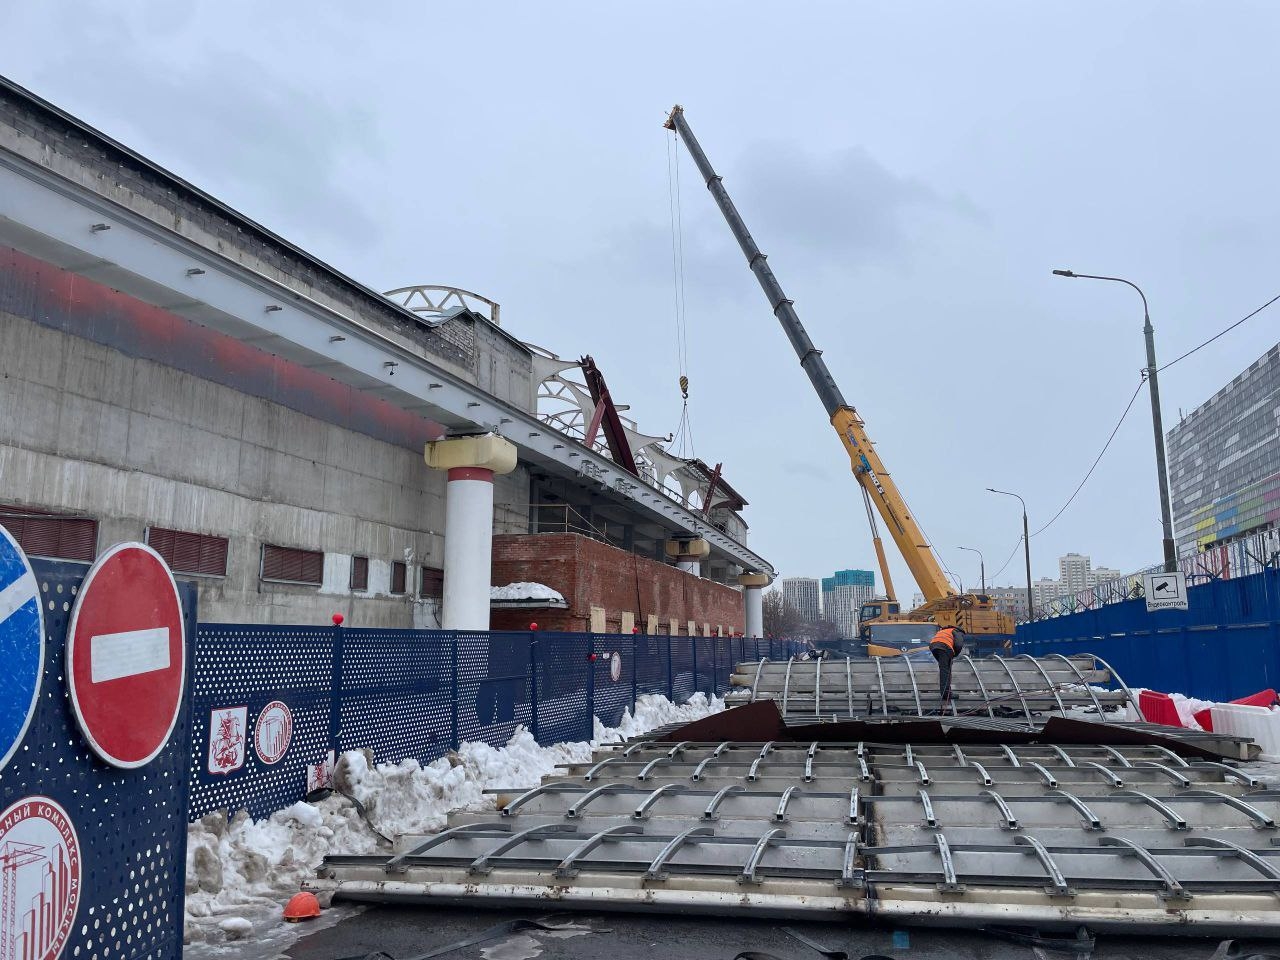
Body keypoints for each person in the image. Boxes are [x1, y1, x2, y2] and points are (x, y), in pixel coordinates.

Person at [930, 624, 965, 709]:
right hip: (944, 647)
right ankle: (946, 694)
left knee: (944, 669)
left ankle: (945, 692)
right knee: (946, 670)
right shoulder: (957, 632)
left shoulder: (944, 630)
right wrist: (954, 655)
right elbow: (959, 645)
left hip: (934, 646)